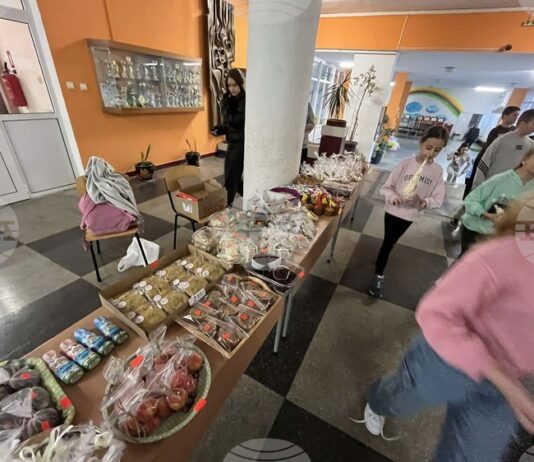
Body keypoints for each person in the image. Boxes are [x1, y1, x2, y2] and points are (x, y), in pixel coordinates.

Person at [356, 193, 534, 462]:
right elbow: (435, 313)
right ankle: (377, 402)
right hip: (444, 359)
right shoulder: (504, 255)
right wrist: (502, 379)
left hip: (507, 386)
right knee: (399, 398)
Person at [368, 126, 448, 298]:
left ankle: (380, 264)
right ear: (421, 143)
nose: (431, 153)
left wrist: (425, 202)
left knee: (391, 241)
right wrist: (394, 197)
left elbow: (438, 198)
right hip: (393, 211)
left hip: (410, 214)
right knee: (388, 242)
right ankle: (378, 274)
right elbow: (386, 187)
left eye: (437, 150)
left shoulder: (437, 171)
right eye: (428, 147)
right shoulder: (405, 164)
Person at [449, 106, 521, 228]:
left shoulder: (518, 136)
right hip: (488, 169)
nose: (516, 118)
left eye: (518, 115)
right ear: (505, 116)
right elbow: (487, 154)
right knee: (475, 194)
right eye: (514, 115)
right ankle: (458, 216)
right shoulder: (496, 132)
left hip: (502, 173)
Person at [460, 149, 534, 254]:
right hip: (477, 230)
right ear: (524, 159)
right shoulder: (502, 179)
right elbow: (471, 199)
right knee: (469, 261)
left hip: (502, 237)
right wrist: (486, 214)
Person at [472, 109, 534, 189]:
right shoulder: (503, 139)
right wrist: (477, 186)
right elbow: (485, 162)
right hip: (489, 185)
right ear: (523, 123)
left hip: (509, 189)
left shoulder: (531, 145)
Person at [212, 68, 246, 206]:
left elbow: (238, 120)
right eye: (229, 85)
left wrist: (226, 108)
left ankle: (226, 207)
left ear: (240, 84)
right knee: (233, 178)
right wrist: (220, 129)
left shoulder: (245, 100)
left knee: (231, 178)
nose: (232, 89)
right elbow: (229, 124)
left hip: (242, 144)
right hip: (233, 142)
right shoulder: (229, 99)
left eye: (235, 85)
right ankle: (252, 199)